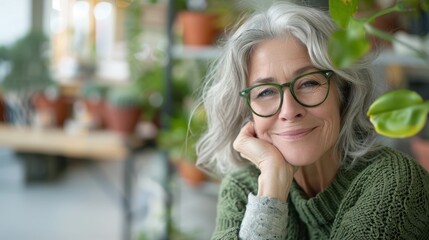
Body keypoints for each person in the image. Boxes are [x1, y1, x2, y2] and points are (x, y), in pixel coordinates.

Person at [194, 1, 429, 239]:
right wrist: (272, 189)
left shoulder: (393, 183)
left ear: (344, 92)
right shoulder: (245, 189)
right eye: (265, 92)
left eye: (308, 83)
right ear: (247, 112)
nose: (289, 110)